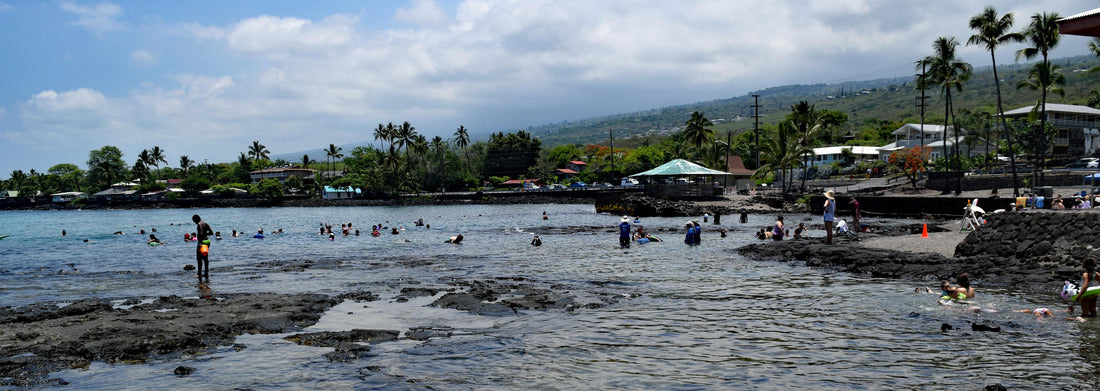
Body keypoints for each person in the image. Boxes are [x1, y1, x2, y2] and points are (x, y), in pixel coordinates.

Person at [193, 214, 213, 280]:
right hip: (207, 241)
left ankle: (199, 274)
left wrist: (200, 243)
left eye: (194, 221)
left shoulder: (199, 224)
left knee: (199, 258)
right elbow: (211, 233)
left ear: (196, 219)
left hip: (202, 242)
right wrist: (205, 234)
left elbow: (200, 233)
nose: (195, 223)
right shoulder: (205, 224)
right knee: (205, 258)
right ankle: (206, 273)